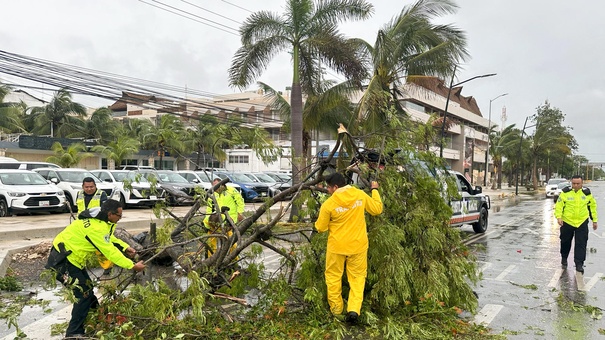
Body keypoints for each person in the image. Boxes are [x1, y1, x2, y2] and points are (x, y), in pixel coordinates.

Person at [45, 199, 145, 338]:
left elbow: (108, 238)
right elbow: (109, 250)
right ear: (110, 214)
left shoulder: (100, 217)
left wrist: (124, 246)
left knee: (87, 287)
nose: (120, 219)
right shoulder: (96, 228)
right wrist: (132, 265)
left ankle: (98, 316)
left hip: (73, 259)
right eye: (119, 216)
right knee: (83, 295)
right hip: (62, 262)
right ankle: (73, 333)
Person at [314, 172, 383, 324]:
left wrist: (332, 221)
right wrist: (375, 189)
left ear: (336, 187)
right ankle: (353, 310)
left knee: (333, 278)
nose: (328, 190)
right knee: (358, 278)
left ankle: (337, 311)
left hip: (337, 247)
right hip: (358, 245)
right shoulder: (359, 195)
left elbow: (320, 228)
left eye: (329, 188)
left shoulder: (329, 204)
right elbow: (377, 209)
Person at [554, 175, 598, 274]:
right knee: (565, 241)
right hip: (567, 222)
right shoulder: (565, 193)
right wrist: (559, 217)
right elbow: (559, 206)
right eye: (574, 183)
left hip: (581, 222)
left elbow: (592, 207)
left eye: (578, 183)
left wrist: (594, 220)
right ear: (571, 183)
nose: (576, 185)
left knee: (581, 243)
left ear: (582, 183)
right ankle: (564, 257)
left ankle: (579, 263)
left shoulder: (587, 193)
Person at [204, 178, 245, 254]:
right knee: (212, 242)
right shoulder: (212, 194)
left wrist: (240, 213)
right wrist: (207, 224)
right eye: (214, 186)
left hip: (230, 220)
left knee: (230, 242)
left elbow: (240, 202)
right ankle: (213, 259)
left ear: (222, 185)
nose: (216, 188)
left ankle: (232, 259)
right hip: (216, 220)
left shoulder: (231, 190)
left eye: (217, 186)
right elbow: (208, 209)